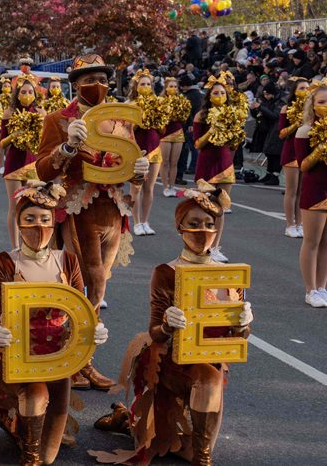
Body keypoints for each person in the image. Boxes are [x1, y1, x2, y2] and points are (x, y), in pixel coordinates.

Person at [0, 181, 110, 466]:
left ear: (54, 222)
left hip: (58, 359)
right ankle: (29, 455)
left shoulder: (68, 261)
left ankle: (9, 420)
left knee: (51, 454)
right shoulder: (5, 262)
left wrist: (93, 330)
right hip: (17, 355)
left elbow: (83, 310)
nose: (37, 226)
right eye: (29, 219)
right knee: (35, 401)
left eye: (44, 219)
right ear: (18, 222)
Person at [90, 182, 252, 466]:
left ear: (217, 229)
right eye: (194, 223)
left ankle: (132, 419)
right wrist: (167, 325)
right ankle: (132, 421)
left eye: (208, 224)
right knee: (167, 442)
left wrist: (243, 324)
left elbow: (237, 337)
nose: (202, 231)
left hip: (210, 363)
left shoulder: (231, 275)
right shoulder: (167, 272)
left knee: (188, 443)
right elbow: (155, 333)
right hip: (171, 363)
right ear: (180, 227)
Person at [34, 53, 148, 389]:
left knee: (98, 286)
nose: (96, 86)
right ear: (75, 85)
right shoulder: (58, 119)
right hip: (76, 209)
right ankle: (75, 359)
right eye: (88, 80)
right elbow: (42, 169)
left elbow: (129, 162)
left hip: (112, 210)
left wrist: (138, 175)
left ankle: (79, 357)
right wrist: (67, 149)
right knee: (84, 284)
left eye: (101, 79)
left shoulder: (119, 120)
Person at [192, 71, 244, 261]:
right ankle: (200, 245)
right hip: (206, 163)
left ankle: (215, 247)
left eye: (222, 93)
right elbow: (197, 144)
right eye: (215, 93)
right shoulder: (201, 116)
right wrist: (211, 131)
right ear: (209, 96)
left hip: (225, 163)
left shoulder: (231, 115)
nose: (219, 96)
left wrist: (236, 135)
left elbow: (234, 145)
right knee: (204, 208)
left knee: (221, 208)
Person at [1, 73, 45, 249]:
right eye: (23, 91)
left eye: (30, 91)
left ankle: (30, 244)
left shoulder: (41, 113)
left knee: (32, 206)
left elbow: (45, 141)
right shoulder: (9, 112)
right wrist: (15, 135)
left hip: (32, 163)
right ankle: (15, 246)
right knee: (15, 206)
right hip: (14, 163)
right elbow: (2, 143)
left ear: (35, 94)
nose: (27, 95)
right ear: (17, 94)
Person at [294, 83, 327, 307]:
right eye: (322, 102)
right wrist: (321, 148)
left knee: (326, 243)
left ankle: (322, 287)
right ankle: (310, 289)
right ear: (313, 107)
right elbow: (303, 166)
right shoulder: (305, 131)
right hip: (315, 190)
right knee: (312, 241)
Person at [130, 69, 165, 236]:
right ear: (136, 86)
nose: (146, 86)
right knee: (136, 187)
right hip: (137, 149)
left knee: (149, 188)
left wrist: (156, 117)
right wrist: (140, 118)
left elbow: (162, 129)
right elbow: (127, 129)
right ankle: (136, 222)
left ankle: (145, 221)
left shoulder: (158, 103)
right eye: (142, 84)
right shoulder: (131, 105)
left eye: (148, 84)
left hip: (155, 147)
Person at [280, 78, 310, 238]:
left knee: (301, 191)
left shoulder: (312, 109)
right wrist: (295, 124)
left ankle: (300, 224)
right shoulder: (287, 108)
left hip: (305, 151)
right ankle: (289, 225)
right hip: (291, 151)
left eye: (307, 88)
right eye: (302, 88)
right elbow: (281, 133)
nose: (305, 91)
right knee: (291, 190)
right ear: (295, 91)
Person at [159, 76, 192, 197]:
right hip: (165, 132)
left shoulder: (182, 100)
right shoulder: (160, 100)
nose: (173, 88)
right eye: (171, 86)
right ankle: (165, 187)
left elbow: (186, 116)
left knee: (174, 162)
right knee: (165, 162)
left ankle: (172, 186)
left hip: (178, 131)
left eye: (175, 86)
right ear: (166, 88)